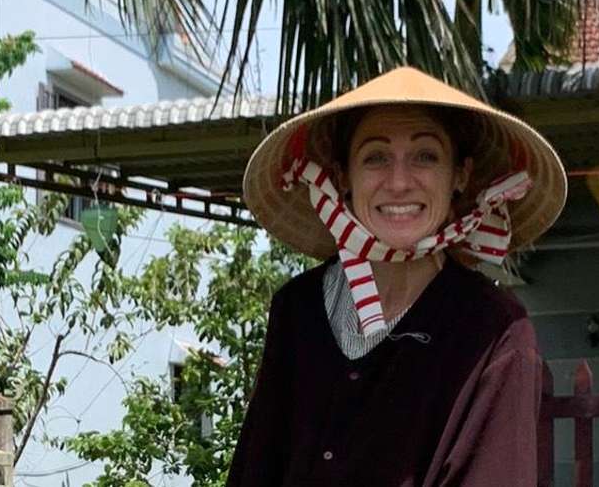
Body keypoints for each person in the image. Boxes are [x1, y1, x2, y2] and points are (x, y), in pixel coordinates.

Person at [227, 66, 566, 487]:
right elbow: (258, 466)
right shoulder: (299, 309)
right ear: (342, 177)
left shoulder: (494, 328)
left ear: (460, 175)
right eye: (376, 157)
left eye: (425, 156)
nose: (400, 182)